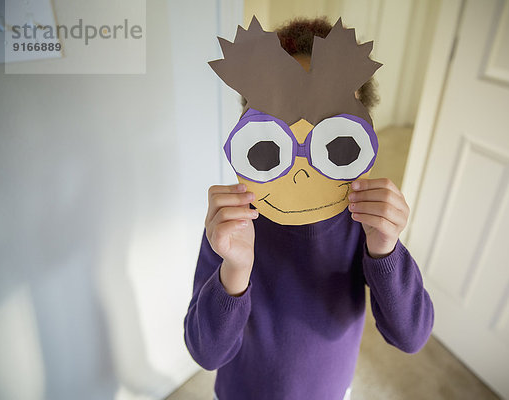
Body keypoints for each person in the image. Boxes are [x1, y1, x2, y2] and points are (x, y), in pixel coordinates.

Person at [184, 17, 434, 400]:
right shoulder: (231, 226)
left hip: (330, 390)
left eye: (328, 128)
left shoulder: (361, 222)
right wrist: (235, 269)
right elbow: (206, 352)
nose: (302, 173)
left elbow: (411, 336)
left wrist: (386, 249)